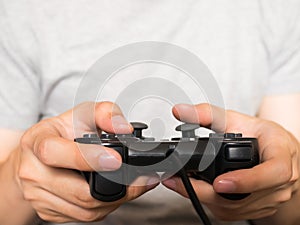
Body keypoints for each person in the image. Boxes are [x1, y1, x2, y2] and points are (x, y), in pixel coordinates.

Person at [0, 1, 300, 225]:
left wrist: (284, 179)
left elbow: (288, 209)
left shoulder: (275, 8)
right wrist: (18, 179)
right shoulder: (22, 11)